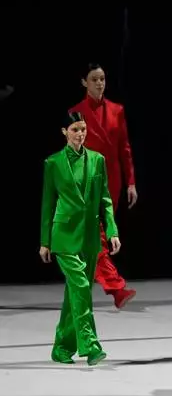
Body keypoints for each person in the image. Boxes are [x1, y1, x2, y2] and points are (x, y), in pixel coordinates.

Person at [40, 111, 121, 365]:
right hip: (63, 235)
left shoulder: (97, 160)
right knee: (81, 287)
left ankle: (62, 347)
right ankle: (90, 344)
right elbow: (47, 204)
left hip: (88, 236)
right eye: (75, 129)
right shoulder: (53, 163)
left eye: (83, 129)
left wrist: (112, 230)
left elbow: (105, 200)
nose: (81, 134)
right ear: (65, 132)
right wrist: (44, 241)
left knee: (74, 293)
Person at [69, 63, 137, 309]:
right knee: (96, 235)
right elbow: (73, 150)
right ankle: (115, 287)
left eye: (102, 79)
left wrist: (130, 181)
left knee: (98, 235)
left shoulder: (117, 110)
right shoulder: (76, 112)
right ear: (84, 82)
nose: (99, 83)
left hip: (113, 179)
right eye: (94, 79)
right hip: (87, 180)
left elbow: (124, 147)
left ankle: (92, 284)